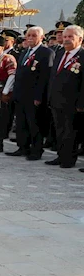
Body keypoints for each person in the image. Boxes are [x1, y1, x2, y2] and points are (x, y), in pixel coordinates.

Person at [7, 26, 54, 161]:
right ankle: (23, 147)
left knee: (34, 124)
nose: (31, 38)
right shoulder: (25, 52)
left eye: (34, 35)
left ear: (41, 37)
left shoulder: (46, 53)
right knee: (22, 123)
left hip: (34, 95)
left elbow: (45, 77)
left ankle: (36, 149)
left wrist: (39, 96)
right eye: (29, 35)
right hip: (21, 94)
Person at [46, 25, 84, 169]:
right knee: (59, 130)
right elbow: (53, 78)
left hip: (73, 103)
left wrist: (81, 103)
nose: (66, 39)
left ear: (80, 39)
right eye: (65, 36)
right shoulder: (61, 53)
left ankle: (69, 159)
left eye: (70, 37)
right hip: (57, 100)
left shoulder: (82, 56)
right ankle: (61, 156)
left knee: (71, 132)